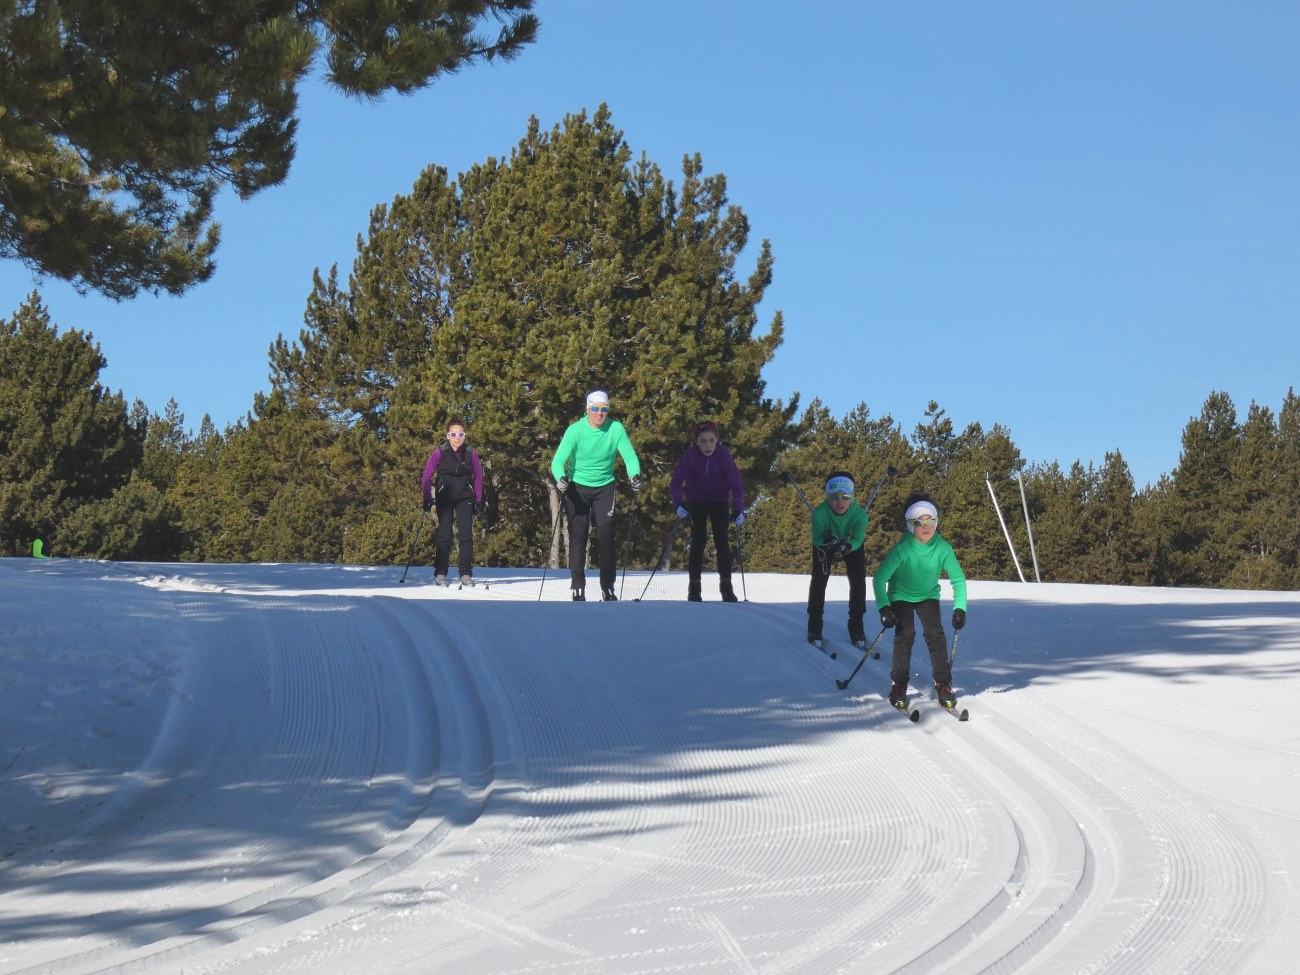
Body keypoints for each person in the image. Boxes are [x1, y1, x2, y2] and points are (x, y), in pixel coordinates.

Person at [873, 497, 968, 709]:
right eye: (919, 523)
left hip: (928, 595)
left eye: (930, 521)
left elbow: (958, 580)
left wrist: (960, 607)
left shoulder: (943, 548)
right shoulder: (902, 549)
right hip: (900, 595)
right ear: (910, 525)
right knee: (905, 634)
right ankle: (899, 685)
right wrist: (884, 607)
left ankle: (943, 684)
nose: (926, 528)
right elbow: (880, 578)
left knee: (935, 633)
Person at [550, 390, 642, 601]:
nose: (600, 413)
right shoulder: (575, 430)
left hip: (605, 487)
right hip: (577, 487)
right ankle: (577, 585)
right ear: (587, 410)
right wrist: (561, 477)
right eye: (595, 409)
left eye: (604, 409)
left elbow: (630, 456)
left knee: (607, 536)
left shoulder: (615, 428)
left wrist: (634, 475)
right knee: (579, 536)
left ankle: (608, 587)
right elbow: (557, 461)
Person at [669, 421, 746, 602]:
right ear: (696, 442)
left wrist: (738, 508)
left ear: (717, 440)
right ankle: (694, 587)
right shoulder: (690, 456)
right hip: (696, 501)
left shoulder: (724, 456)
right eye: (703, 441)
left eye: (711, 440)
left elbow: (736, 484)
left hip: (719, 500)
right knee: (698, 540)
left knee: (722, 541)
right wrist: (679, 504)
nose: (708, 445)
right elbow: (675, 482)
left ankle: (726, 587)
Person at [806, 471, 868, 645]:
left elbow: (857, 539)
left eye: (845, 496)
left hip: (850, 542)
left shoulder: (860, 516)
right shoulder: (820, 514)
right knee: (819, 578)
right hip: (826, 542)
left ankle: (856, 625)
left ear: (852, 496)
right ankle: (814, 625)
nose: (840, 502)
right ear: (828, 497)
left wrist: (847, 546)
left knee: (858, 580)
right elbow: (816, 539)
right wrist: (826, 545)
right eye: (835, 497)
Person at [420, 418, 484, 586]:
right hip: (445, 496)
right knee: (445, 534)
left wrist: (478, 499)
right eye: (454, 434)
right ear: (448, 436)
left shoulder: (470, 453)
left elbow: (478, 477)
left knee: (466, 535)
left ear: (464, 435)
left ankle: (465, 573)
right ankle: (441, 572)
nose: (457, 437)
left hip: (464, 497)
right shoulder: (440, 452)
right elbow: (427, 476)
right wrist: (427, 497)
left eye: (461, 434)